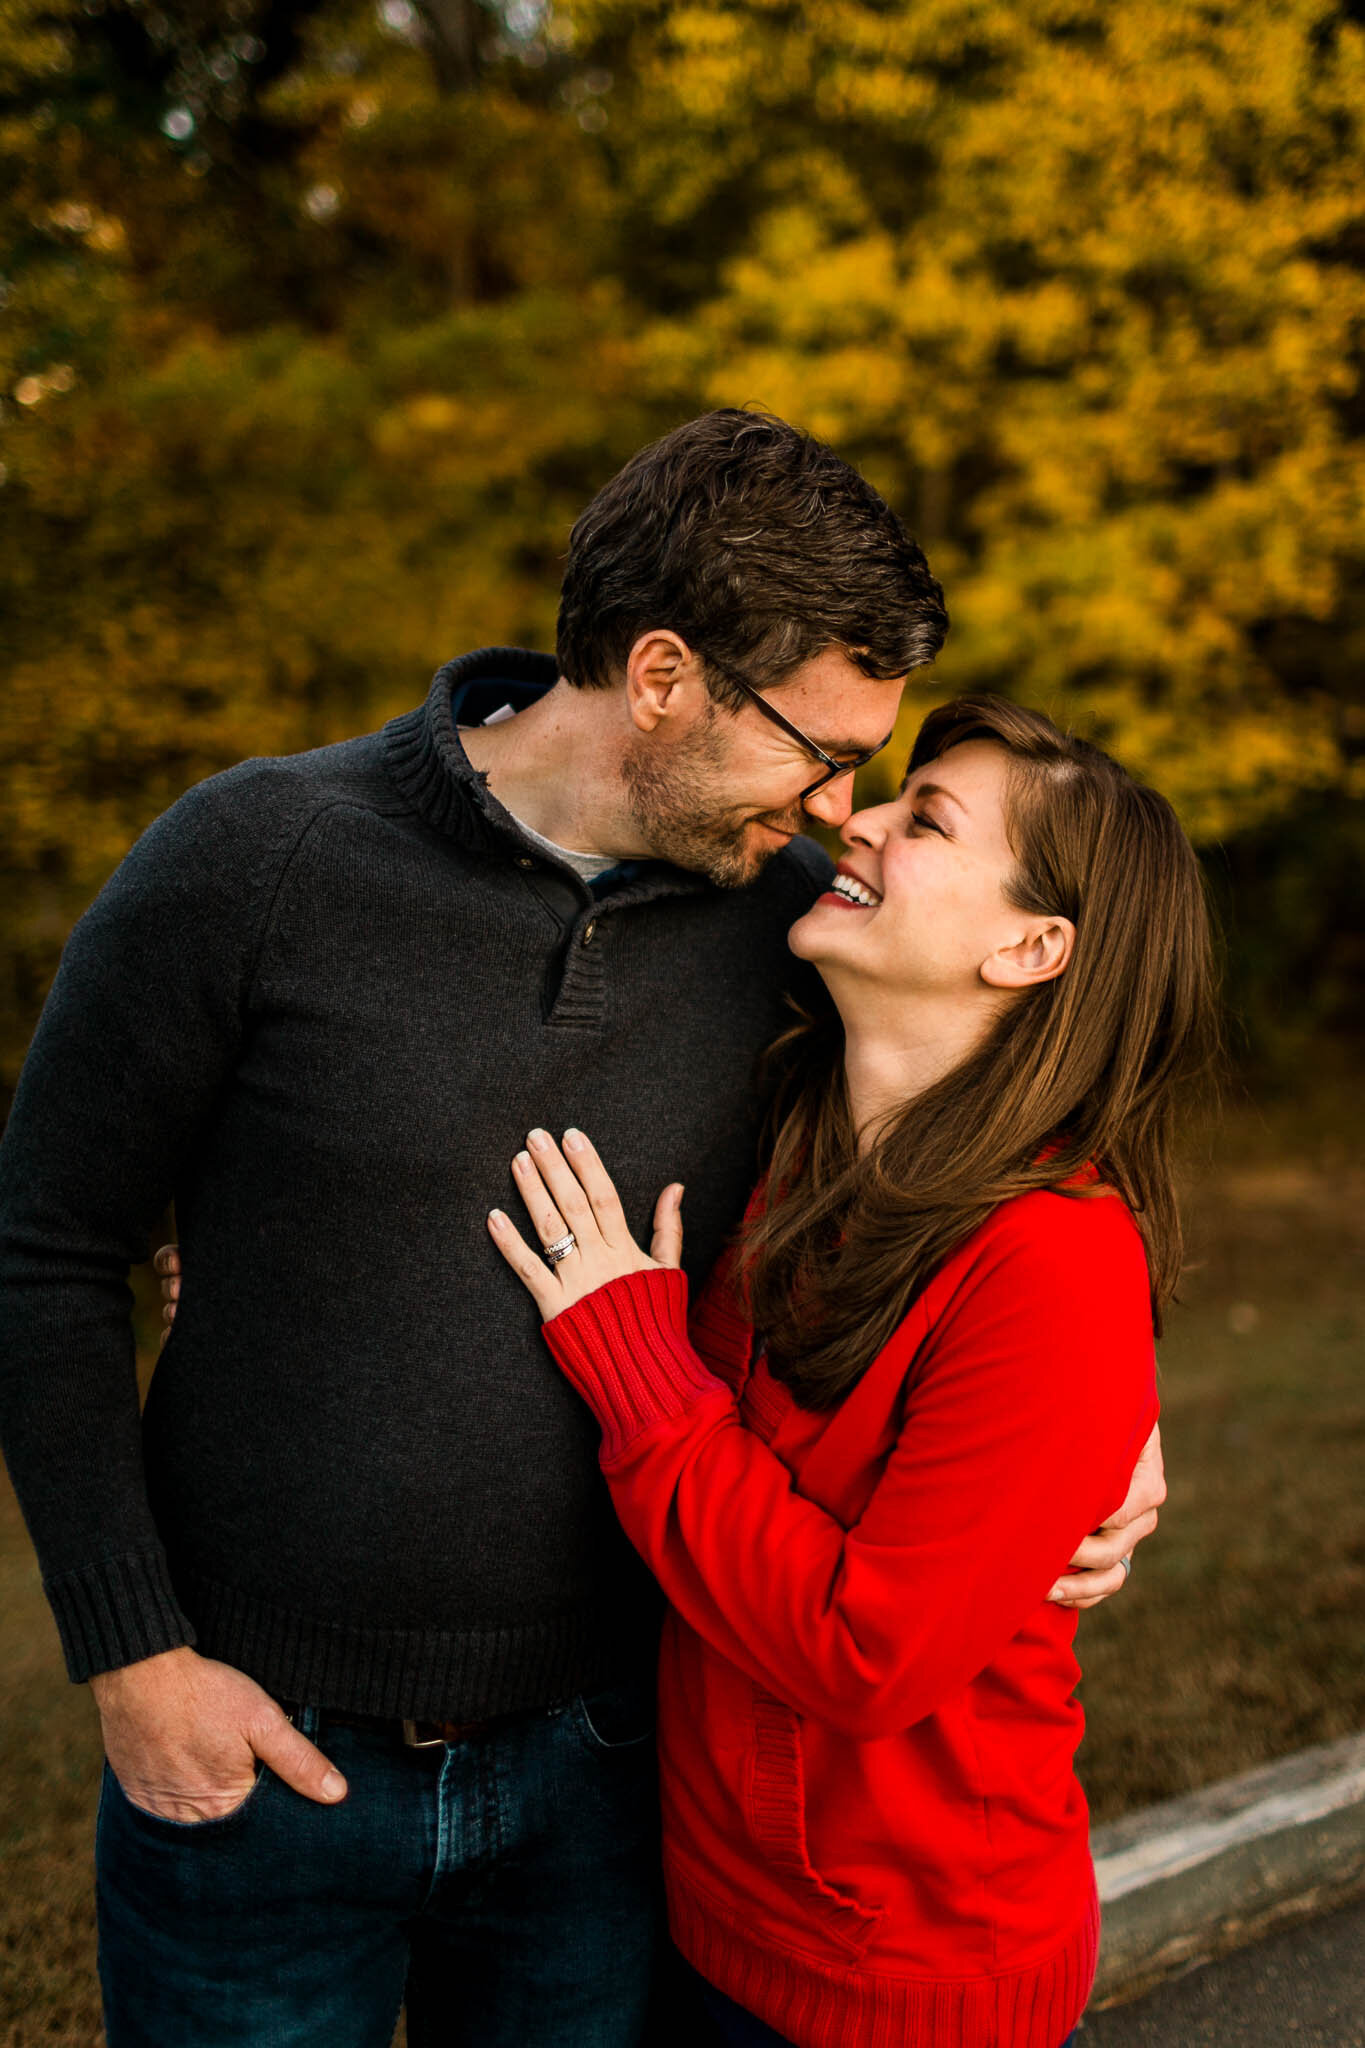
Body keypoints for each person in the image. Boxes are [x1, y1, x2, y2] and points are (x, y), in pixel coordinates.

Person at [0, 408, 1156, 2048]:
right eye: (820, 751)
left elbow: (1005, 1142)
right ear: (665, 676)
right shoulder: (257, 860)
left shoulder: (790, 935)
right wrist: (134, 1659)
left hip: (612, 1781)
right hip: (260, 1755)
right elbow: (42, 1247)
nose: (843, 810)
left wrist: (1123, 1419)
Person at [487, 695, 1212, 2048]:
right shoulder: (803, 1138)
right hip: (713, 1913)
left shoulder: (1051, 1263)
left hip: (906, 1976)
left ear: (1029, 946)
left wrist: (637, 1362)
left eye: (921, 817)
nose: (852, 822)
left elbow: (864, 1651)